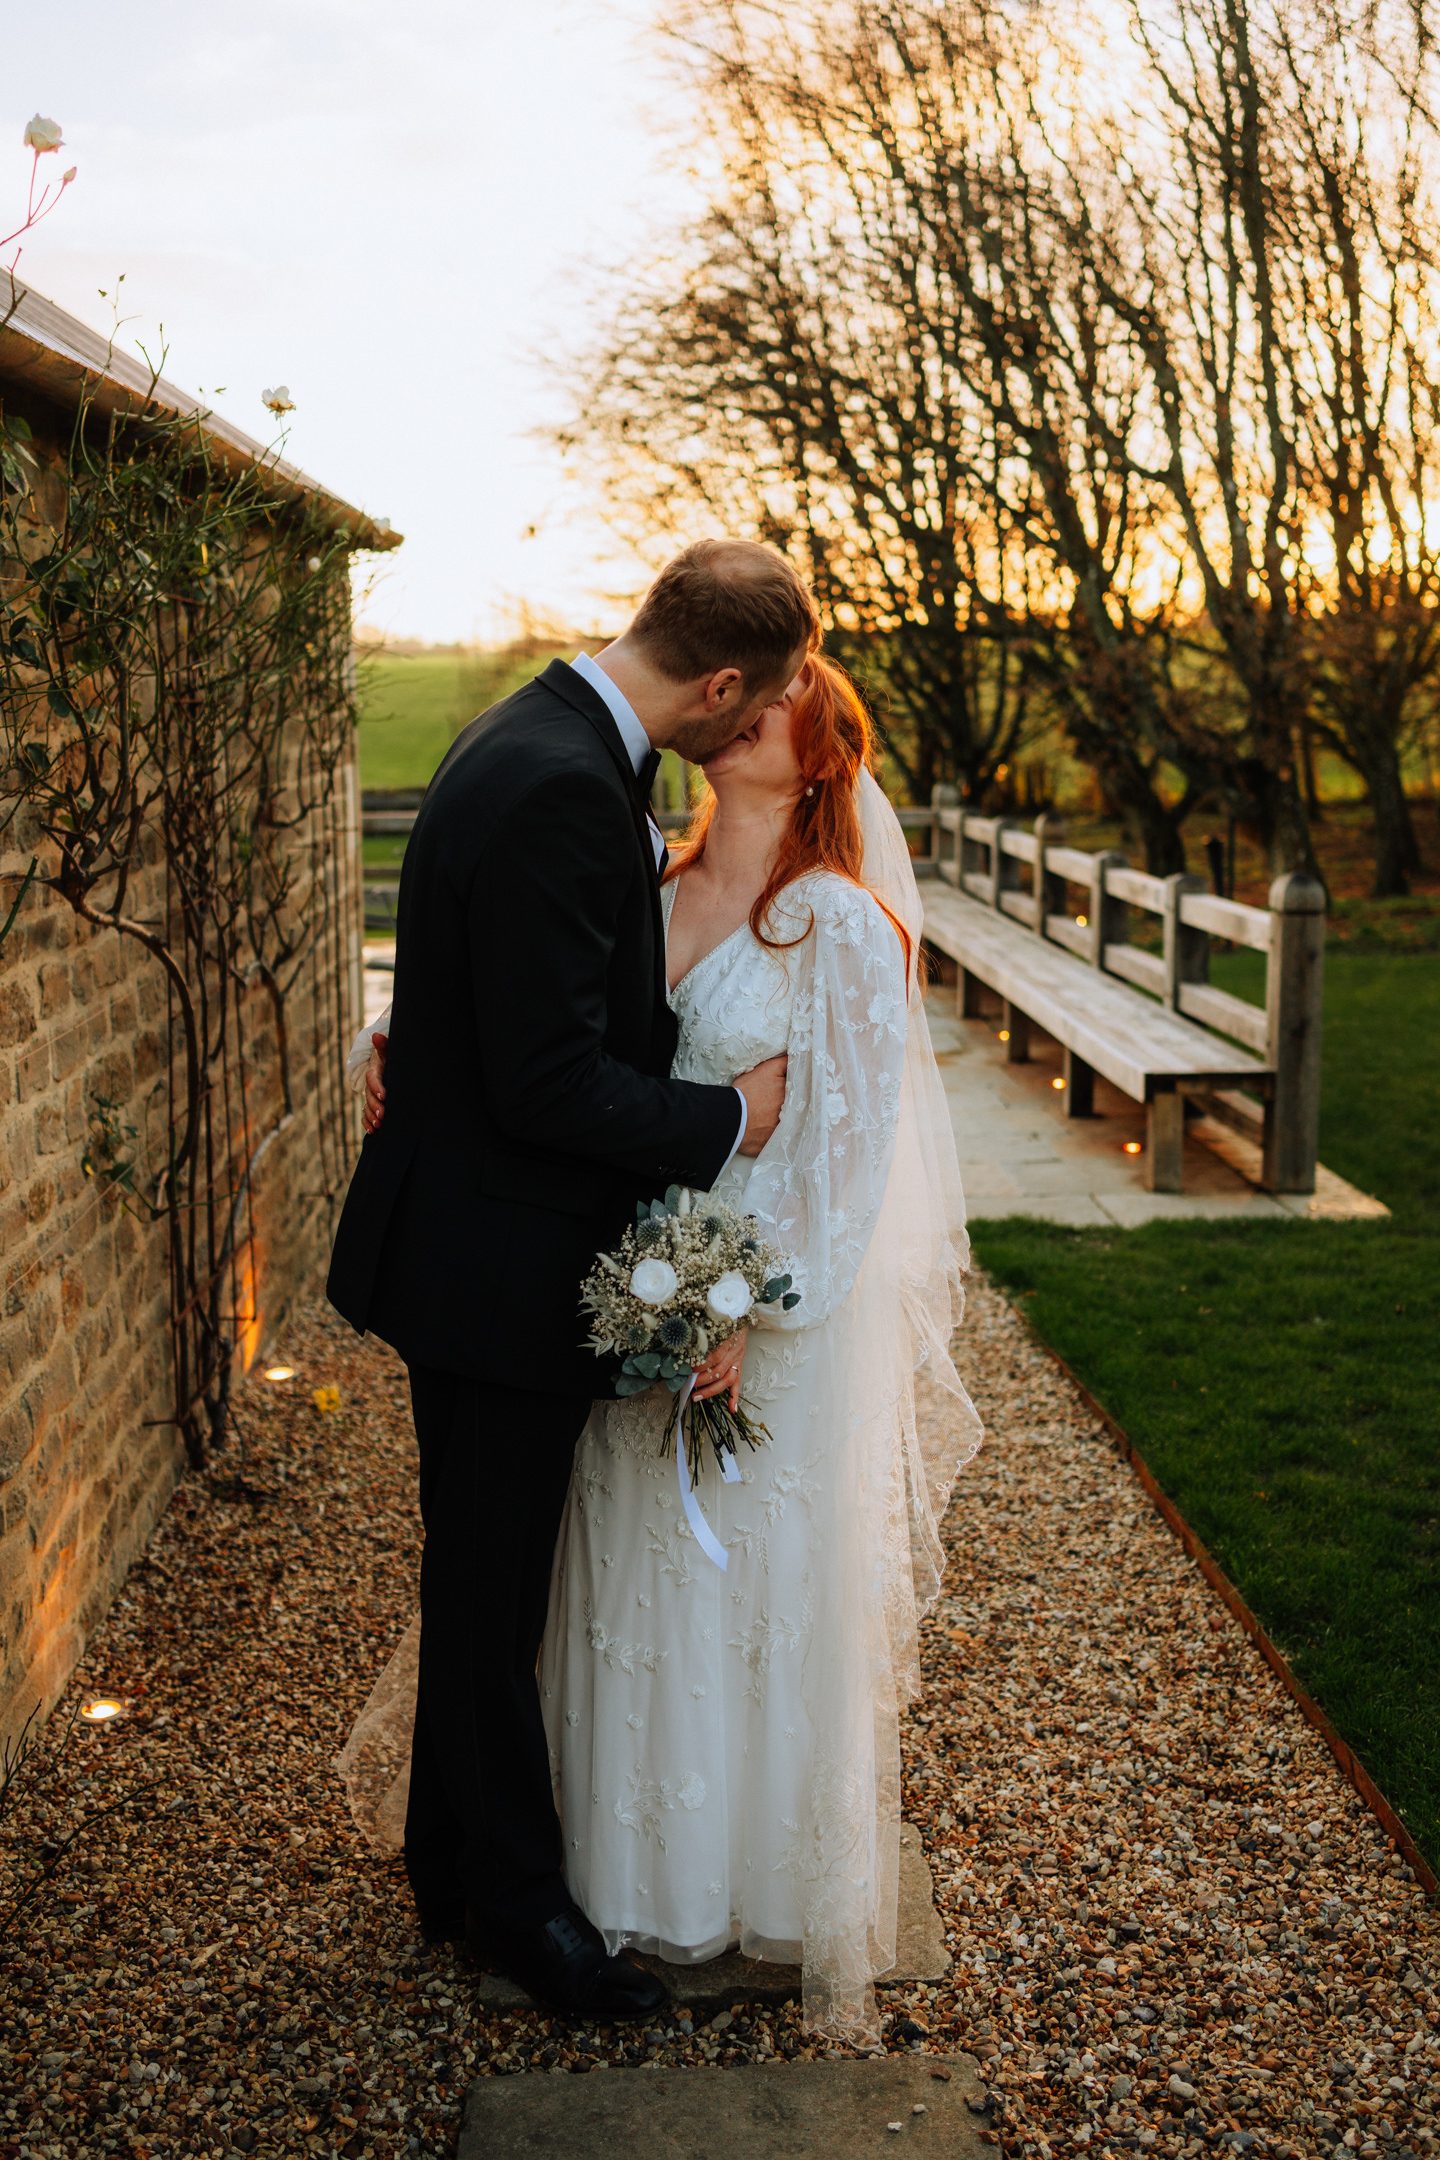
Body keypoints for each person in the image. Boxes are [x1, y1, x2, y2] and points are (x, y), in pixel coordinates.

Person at [340, 651, 982, 2045]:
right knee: (607, 1595)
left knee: (734, 1602)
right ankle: (602, 1873)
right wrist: (392, 1031)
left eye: (784, 704)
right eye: (747, 692)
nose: (747, 708)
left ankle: (733, 1878)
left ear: (814, 756)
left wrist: (748, 1303)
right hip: (608, 1304)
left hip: (751, 1329)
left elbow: (848, 1159)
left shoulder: (837, 928)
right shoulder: (646, 869)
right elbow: (530, 993)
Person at [326, 539, 819, 2021]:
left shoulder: (531, 732)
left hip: (464, 1232)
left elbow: (483, 1012)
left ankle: (452, 1862)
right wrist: (731, 1115)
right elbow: (549, 1079)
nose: (751, 735)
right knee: (492, 1593)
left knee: (476, 1578)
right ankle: (524, 1917)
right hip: (497, 1263)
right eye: (757, 708)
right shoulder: (562, 784)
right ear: (723, 681)